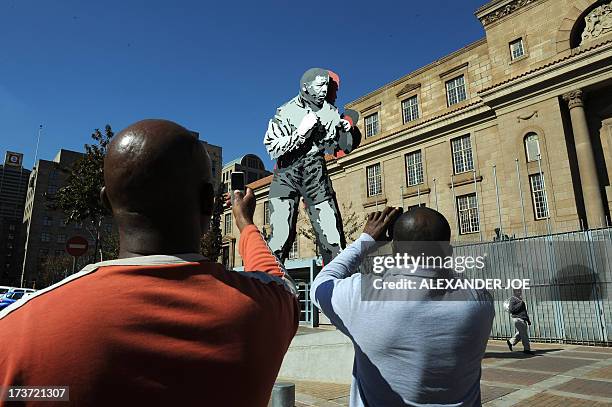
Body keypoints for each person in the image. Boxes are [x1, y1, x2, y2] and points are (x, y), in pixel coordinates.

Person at [0, 119, 299, 406]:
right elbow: (277, 277)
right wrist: (245, 222)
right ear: (208, 201)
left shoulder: (15, 335)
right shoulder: (268, 308)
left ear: (106, 202)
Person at [310, 207, 495, 407]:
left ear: (394, 251)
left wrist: (366, 239)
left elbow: (321, 284)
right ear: (448, 252)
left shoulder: (363, 296)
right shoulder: (481, 301)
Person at [263, 68, 356, 264]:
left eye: (327, 86)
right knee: (279, 238)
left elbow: (337, 148)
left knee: (333, 238)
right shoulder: (286, 111)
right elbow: (271, 147)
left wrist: (346, 127)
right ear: (305, 87)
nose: (325, 90)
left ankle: (335, 286)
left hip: (315, 172)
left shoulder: (329, 112)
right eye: (320, 85)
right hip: (286, 173)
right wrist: (300, 134)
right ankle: (271, 285)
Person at [506, 289, 533, 354]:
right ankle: (527, 349)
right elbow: (512, 309)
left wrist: (528, 320)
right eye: (518, 291)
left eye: (520, 291)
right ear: (514, 292)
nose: (519, 292)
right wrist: (520, 303)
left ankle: (511, 342)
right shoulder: (513, 299)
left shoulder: (520, 299)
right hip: (517, 318)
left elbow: (524, 311)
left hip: (523, 318)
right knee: (524, 335)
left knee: (521, 333)